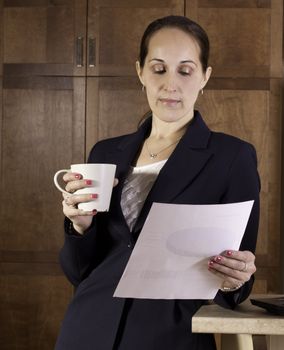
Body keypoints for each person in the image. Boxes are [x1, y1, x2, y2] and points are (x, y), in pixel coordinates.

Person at [55, 15, 260, 350]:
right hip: (86, 329)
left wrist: (235, 278)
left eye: (185, 69)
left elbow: (237, 285)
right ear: (140, 72)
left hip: (171, 336)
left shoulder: (232, 157)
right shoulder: (105, 152)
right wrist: (78, 228)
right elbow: (79, 272)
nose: (171, 84)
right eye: (159, 68)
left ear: (205, 76)